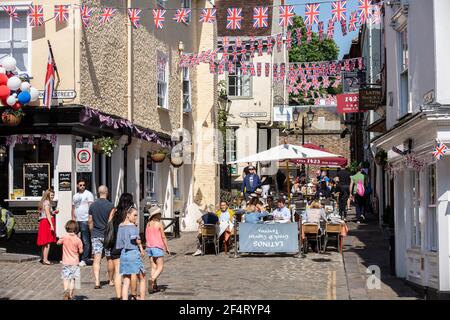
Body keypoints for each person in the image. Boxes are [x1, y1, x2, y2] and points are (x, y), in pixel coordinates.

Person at [105, 193, 134, 300]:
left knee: (118, 271)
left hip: (115, 245)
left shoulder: (114, 211)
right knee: (130, 272)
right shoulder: (130, 212)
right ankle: (132, 293)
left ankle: (118, 296)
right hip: (127, 245)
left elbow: (108, 225)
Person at [116, 206, 146, 300]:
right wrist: (141, 249)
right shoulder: (133, 226)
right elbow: (136, 240)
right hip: (133, 252)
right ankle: (142, 298)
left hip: (124, 253)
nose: (136, 217)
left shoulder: (120, 226)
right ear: (128, 215)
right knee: (142, 277)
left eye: (137, 215)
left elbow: (119, 242)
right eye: (135, 215)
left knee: (126, 280)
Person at [88, 185, 115, 289]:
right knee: (109, 258)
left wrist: (92, 232)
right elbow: (111, 222)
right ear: (107, 192)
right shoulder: (111, 206)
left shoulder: (93, 206)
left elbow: (90, 220)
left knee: (97, 259)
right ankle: (111, 280)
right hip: (107, 235)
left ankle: (97, 282)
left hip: (96, 234)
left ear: (98, 193)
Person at [145, 206, 170, 294]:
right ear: (156, 215)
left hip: (149, 247)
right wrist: (166, 247)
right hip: (157, 247)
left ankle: (154, 287)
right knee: (160, 267)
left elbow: (146, 235)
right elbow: (163, 236)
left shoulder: (148, 224)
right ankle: (151, 280)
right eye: (159, 214)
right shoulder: (159, 224)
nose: (161, 215)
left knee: (153, 267)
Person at [57, 220, 83, 300]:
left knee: (65, 278)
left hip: (65, 262)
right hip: (75, 262)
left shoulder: (64, 237)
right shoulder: (78, 240)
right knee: (73, 279)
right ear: (76, 229)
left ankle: (66, 291)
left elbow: (58, 243)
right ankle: (71, 295)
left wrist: (61, 241)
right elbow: (81, 251)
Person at [72, 179, 94, 266]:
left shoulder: (88, 194)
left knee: (85, 240)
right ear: (77, 185)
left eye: (83, 185)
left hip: (85, 220)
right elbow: (73, 208)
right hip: (77, 220)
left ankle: (85, 259)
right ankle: (76, 258)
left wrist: (90, 219)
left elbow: (91, 208)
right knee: (76, 240)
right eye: (80, 185)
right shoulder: (75, 196)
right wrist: (73, 218)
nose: (82, 187)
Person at [37, 189, 57, 265]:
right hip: (46, 223)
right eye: (52, 195)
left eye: (53, 195)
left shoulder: (44, 202)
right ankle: (45, 260)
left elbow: (48, 213)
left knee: (45, 242)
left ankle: (43, 258)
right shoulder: (47, 202)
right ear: (48, 195)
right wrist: (51, 225)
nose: (53, 197)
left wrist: (54, 212)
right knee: (47, 242)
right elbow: (48, 214)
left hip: (44, 222)